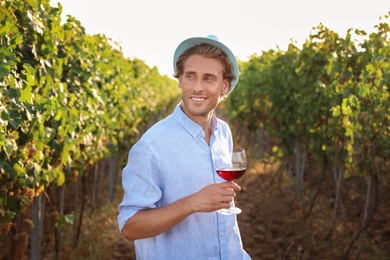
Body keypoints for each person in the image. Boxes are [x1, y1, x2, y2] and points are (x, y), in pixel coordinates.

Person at [117, 35, 251, 259]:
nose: (197, 87)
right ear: (180, 79)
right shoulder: (151, 147)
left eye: (209, 78)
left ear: (224, 86)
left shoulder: (223, 132)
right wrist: (192, 203)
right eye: (190, 76)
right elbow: (130, 227)